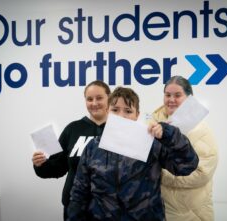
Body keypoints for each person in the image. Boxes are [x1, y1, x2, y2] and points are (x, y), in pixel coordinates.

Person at [66, 86, 199, 221]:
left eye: (128, 111)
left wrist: (170, 135)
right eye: (115, 110)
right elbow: (79, 192)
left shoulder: (153, 144)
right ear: (107, 112)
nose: (121, 116)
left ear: (137, 115)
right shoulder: (93, 147)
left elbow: (186, 166)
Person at [31, 80, 111, 221]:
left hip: (110, 209)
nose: (94, 103)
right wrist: (40, 164)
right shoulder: (72, 129)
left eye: (99, 98)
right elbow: (59, 167)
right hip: (75, 209)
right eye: (89, 99)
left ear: (109, 98)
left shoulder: (120, 130)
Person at [151, 75, 218, 221]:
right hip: (160, 210)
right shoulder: (153, 124)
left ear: (189, 98)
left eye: (177, 95)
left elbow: (202, 173)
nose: (171, 100)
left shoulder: (201, 131)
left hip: (190, 213)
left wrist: (160, 176)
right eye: (167, 95)